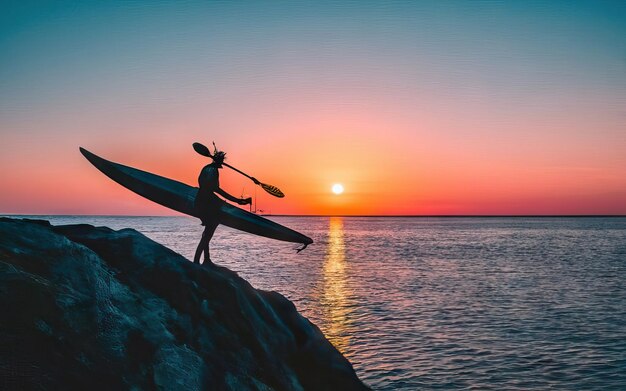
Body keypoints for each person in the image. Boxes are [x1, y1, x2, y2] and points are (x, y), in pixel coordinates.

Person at [193, 144, 251, 266]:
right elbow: (216, 189)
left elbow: (202, 185)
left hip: (200, 200)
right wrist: (236, 200)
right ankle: (197, 261)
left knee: (207, 231)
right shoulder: (213, 171)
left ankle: (206, 259)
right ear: (219, 161)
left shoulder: (206, 168)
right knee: (208, 233)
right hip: (208, 203)